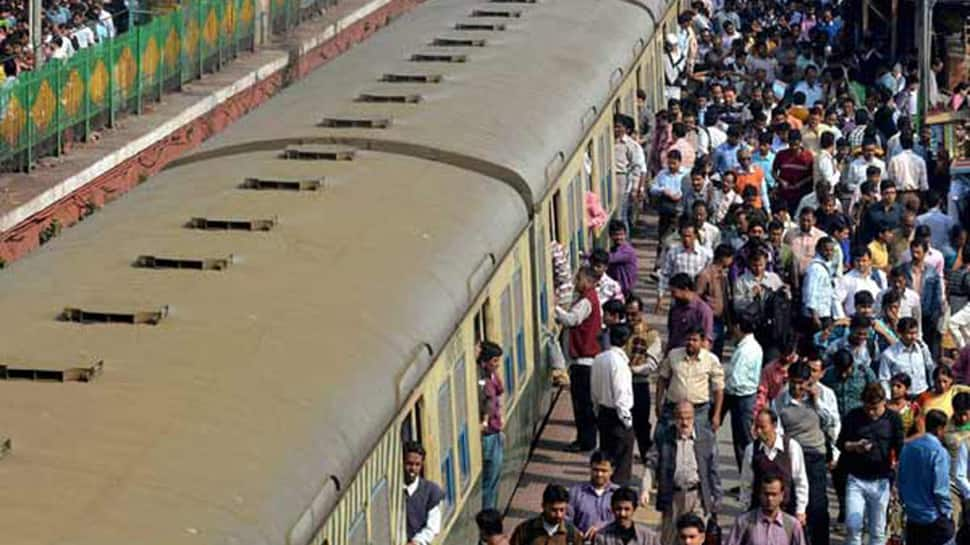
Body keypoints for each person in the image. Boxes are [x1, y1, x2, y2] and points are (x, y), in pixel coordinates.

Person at [773, 360, 836, 545]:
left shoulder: (822, 396)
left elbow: (830, 421)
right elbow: (778, 430)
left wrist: (816, 402)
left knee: (817, 505)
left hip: (815, 455)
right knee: (794, 503)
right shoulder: (780, 400)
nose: (797, 387)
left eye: (802, 382)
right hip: (792, 455)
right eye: (794, 382)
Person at [641, 401, 722, 545]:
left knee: (695, 538)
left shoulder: (706, 437)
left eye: (688, 418)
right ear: (674, 418)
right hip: (672, 496)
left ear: (694, 417)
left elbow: (713, 470)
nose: (684, 423)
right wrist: (645, 489)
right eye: (680, 418)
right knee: (670, 538)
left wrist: (716, 498)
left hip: (697, 496)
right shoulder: (664, 436)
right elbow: (651, 463)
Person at [836, 382, 905, 545]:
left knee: (878, 530)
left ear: (884, 402)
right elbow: (841, 443)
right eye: (868, 408)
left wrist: (897, 477)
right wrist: (854, 446)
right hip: (856, 478)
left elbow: (900, 448)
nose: (872, 413)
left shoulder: (893, 419)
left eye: (876, 408)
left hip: (881, 479)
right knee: (853, 526)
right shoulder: (853, 416)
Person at [556, 267, 604, 453]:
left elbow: (572, 320)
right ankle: (586, 439)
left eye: (579, 279)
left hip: (584, 361)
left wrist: (555, 310)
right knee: (583, 404)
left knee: (582, 404)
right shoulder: (590, 298)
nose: (576, 283)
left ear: (589, 281)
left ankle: (586, 441)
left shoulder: (586, 301)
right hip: (585, 360)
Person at [740, 409, 809, 521]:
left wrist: (800, 510)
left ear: (774, 425)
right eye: (756, 427)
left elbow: (800, 480)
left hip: (787, 510)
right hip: (759, 511)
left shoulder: (791, 447)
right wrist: (745, 510)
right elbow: (746, 483)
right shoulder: (751, 449)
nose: (758, 431)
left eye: (763, 427)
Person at [898, 409, 955, 545]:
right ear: (940, 429)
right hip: (933, 518)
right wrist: (947, 513)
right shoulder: (939, 452)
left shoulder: (908, 448)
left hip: (912, 516)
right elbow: (940, 489)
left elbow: (900, 479)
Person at [656, 326, 725, 439]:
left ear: (702, 342)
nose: (690, 343)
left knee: (703, 443)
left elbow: (718, 389)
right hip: (673, 408)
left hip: (699, 410)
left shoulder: (711, 360)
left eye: (694, 340)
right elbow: (662, 379)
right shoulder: (673, 355)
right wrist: (658, 403)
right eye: (688, 339)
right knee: (663, 439)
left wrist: (717, 415)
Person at [591, 324, 636, 484]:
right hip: (618, 416)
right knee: (622, 460)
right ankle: (618, 490)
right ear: (626, 341)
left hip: (603, 413)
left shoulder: (599, 358)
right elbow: (621, 393)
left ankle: (604, 487)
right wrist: (627, 421)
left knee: (606, 455)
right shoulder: (619, 363)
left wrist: (597, 411)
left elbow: (594, 390)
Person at [624, 295, 662, 462]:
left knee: (641, 424)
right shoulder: (621, 333)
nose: (631, 318)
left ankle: (647, 456)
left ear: (641, 312)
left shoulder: (651, 334)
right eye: (628, 314)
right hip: (622, 385)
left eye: (634, 314)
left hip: (639, 384)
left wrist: (631, 370)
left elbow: (651, 363)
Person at [723, 316, 763, 471]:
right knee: (742, 441)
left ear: (738, 327)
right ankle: (745, 478)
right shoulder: (748, 346)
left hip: (742, 398)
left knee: (744, 442)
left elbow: (736, 379)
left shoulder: (746, 350)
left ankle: (750, 479)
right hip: (743, 396)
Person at [725, 474, 807, 545]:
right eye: (766, 494)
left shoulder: (792, 525)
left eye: (774, 494)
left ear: (782, 495)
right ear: (760, 494)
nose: (770, 499)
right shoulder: (744, 522)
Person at [657, 220, 714, 312]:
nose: (686, 239)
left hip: (698, 300)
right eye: (683, 236)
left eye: (689, 236)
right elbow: (665, 275)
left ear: (695, 236)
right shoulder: (673, 253)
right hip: (677, 300)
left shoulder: (706, 255)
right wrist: (660, 296)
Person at [567, 451, 620, 541]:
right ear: (590, 468)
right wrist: (575, 532)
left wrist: (602, 527)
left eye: (604, 471)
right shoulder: (576, 492)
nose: (599, 474)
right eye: (596, 470)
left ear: (612, 470)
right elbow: (566, 519)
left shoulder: (619, 494)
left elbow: (624, 522)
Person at [478, 341, 506, 510]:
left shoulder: (491, 377)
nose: (497, 365)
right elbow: (488, 403)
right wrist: (485, 421)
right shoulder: (483, 382)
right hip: (489, 435)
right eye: (494, 361)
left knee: (494, 480)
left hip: (495, 433)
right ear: (484, 362)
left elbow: (500, 390)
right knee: (490, 481)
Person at [879, 317, 935, 398]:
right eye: (909, 333)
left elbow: (930, 367)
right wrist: (888, 397)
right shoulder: (889, 354)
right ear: (900, 333)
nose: (913, 337)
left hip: (922, 393)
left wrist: (933, 387)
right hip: (902, 397)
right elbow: (884, 379)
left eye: (915, 333)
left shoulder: (922, 347)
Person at [510, 484, 584, 545]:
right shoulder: (525, 531)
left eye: (562, 510)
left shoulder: (572, 534)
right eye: (554, 510)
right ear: (543, 506)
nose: (559, 515)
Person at [695, 243, 734, 358]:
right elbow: (697, 298)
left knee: (717, 356)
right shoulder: (705, 275)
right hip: (709, 320)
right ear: (724, 258)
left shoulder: (723, 275)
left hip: (720, 320)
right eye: (731, 258)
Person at [403, 442, 444, 545]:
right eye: (409, 464)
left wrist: (416, 542)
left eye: (417, 465)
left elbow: (432, 527)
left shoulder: (431, 492)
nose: (413, 469)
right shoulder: (393, 492)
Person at [592, 487, 661, 545]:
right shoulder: (602, 536)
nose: (622, 514)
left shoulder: (649, 537)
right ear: (612, 509)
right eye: (618, 509)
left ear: (634, 509)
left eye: (627, 509)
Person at [665, 273, 715, 351]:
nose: (672, 295)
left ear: (686, 289)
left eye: (674, 292)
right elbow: (671, 335)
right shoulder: (675, 309)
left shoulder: (703, 310)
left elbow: (706, 340)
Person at [801, 237, 841, 333]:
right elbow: (810, 292)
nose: (829, 253)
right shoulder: (815, 268)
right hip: (816, 316)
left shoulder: (827, 266)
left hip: (825, 312)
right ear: (819, 250)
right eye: (826, 250)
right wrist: (815, 317)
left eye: (831, 250)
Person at [887, 372, 923, 437]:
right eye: (892, 385)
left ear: (906, 389)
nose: (894, 389)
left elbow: (921, 432)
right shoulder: (884, 407)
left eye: (898, 386)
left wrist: (905, 441)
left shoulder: (913, 407)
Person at [607, 220, 638, 296]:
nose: (618, 237)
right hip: (614, 290)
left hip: (626, 291)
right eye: (615, 235)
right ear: (610, 235)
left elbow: (609, 258)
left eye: (621, 234)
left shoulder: (627, 251)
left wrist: (587, 255)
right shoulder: (613, 250)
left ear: (625, 234)